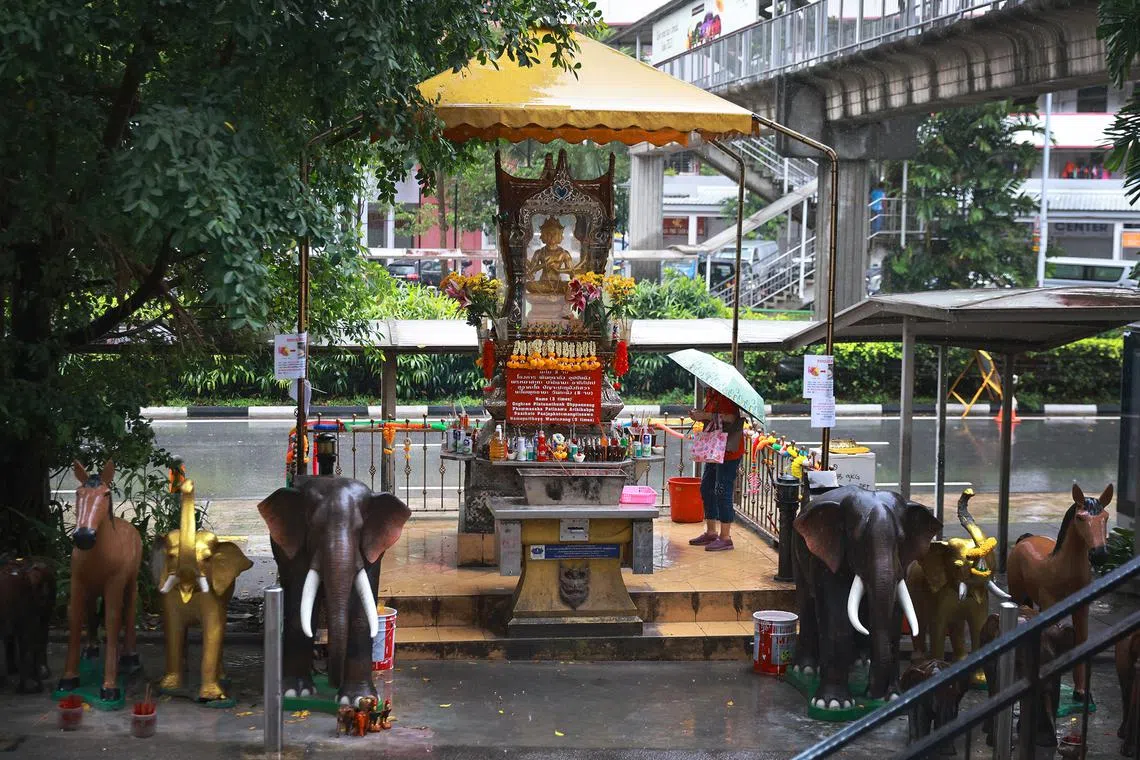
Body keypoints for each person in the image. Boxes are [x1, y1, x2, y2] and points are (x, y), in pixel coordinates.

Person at [688, 387, 746, 552]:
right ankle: (711, 531)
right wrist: (699, 415)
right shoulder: (712, 395)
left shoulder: (728, 395)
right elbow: (712, 418)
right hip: (714, 447)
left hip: (728, 450)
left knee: (722, 490)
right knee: (706, 487)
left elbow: (731, 417)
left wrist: (704, 415)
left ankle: (726, 537)